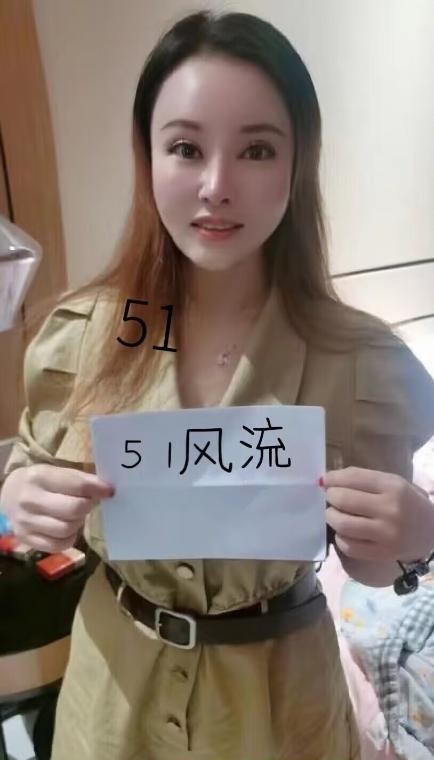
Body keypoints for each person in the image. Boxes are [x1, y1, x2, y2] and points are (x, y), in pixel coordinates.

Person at [1, 9, 434, 760]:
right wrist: (17, 497)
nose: (216, 186)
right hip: (112, 705)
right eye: (186, 148)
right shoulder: (81, 335)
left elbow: (371, 559)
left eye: (257, 150)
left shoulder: (361, 359)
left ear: (298, 162)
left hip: (280, 710)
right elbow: (28, 480)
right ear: (148, 157)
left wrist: (419, 535)